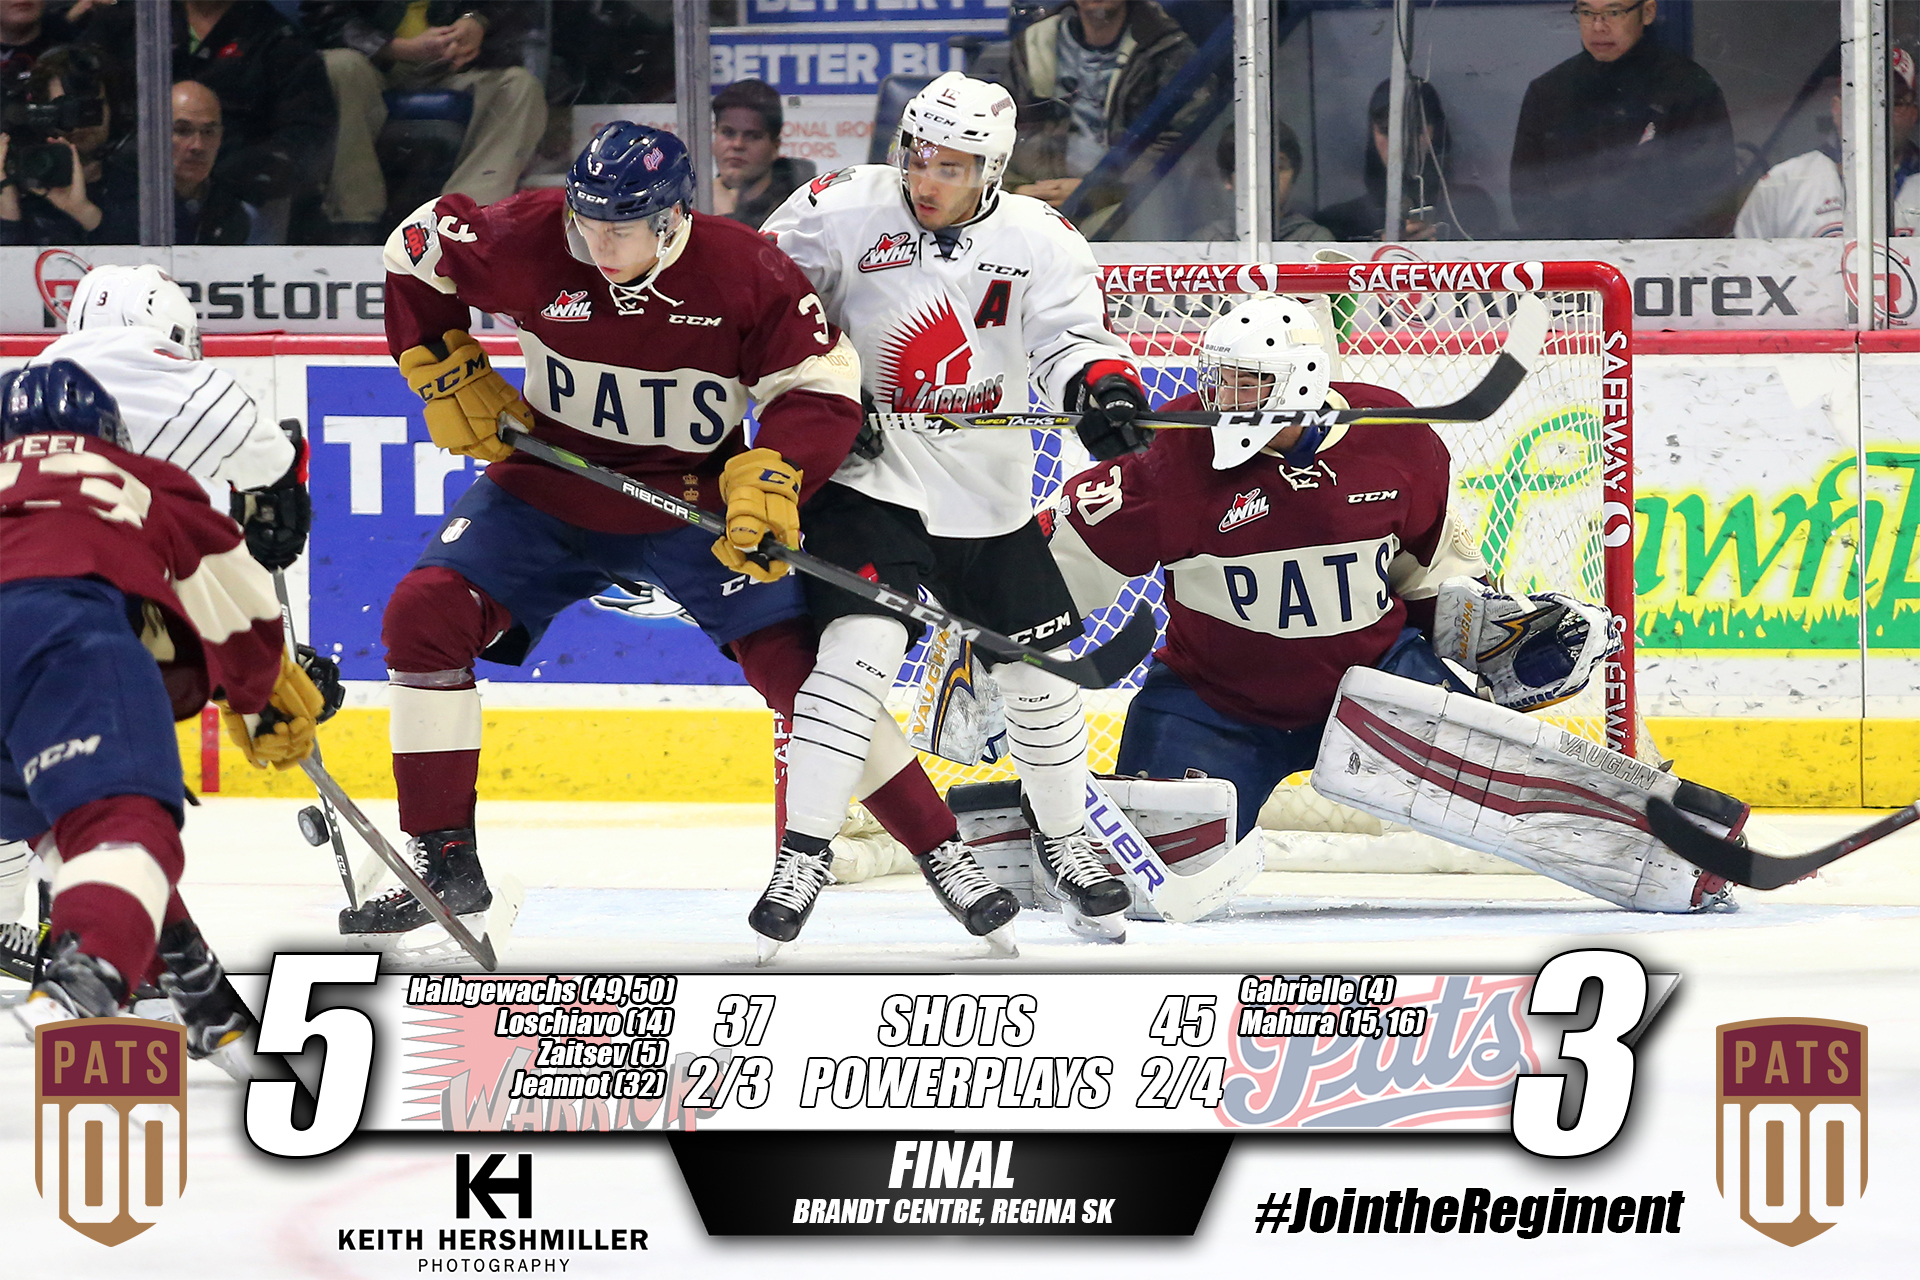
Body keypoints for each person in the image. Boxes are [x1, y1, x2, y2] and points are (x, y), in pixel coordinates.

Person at [356, 122, 876, 944]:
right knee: (424, 613)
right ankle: (443, 860)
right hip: (547, 483)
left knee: (797, 668)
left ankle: (941, 848)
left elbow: (819, 381)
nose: (598, 244)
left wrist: (778, 471)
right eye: (587, 221)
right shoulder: (530, 235)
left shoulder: (739, 267)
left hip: (692, 495)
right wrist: (444, 365)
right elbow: (413, 247)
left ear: (672, 217)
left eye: (622, 226)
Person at [1042, 298, 1732, 914]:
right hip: (1215, 705)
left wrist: (1479, 626)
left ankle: (1680, 852)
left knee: (1513, 784)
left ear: (1301, 383)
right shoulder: (1169, 456)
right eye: (1218, 380)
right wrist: (1005, 649)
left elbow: (1425, 566)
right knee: (1148, 883)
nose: (1225, 401)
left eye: (1248, 384)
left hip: (1379, 683)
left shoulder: (1394, 439)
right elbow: (1063, 568)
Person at [761, 71, 1154, 945]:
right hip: (870, 478)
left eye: (951, 166)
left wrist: (1102, 392)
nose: (925, 178)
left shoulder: (1040, 238)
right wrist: (820, 389)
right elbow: (762, 307)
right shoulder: (838, 207)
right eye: (918, 156)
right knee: (858, 652)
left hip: (987, 491)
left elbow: (1069, 341)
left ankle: (1066, 838)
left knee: (1040, 670)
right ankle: (803, 853)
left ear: (993, 169)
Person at [1, 360, 326, 1040]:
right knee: (119, 821)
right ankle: (88, 969)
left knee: (54, 814)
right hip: (55, 625)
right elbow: (235, 595)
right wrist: (257, 696)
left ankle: (194, 985)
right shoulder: (137, 476)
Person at [33, 263, 309, 568]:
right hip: (120, 574)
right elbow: (274, 463)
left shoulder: (27, 380)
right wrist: (272, 507)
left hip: (21, 562)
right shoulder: (190, 387)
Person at [302, 0, 547, 241]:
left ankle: (462, 219)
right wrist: (395, 48)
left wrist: (477, 22)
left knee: (518, 87)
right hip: (369, 62)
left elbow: (513, 9)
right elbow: (325, 16)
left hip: (452, 65)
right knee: (338, 68)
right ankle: (354, 221)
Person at [1510, 0, 1736, 239]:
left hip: (1666, 255)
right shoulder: (1549, 92)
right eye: (1587, 12)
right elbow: (1528, 199)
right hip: (1572, 256)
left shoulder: (1689, 89)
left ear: (1647, 12)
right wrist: (1573, 253)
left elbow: (1713, 199)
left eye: (1613, 12)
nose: (1598, 26)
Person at [1002, 0, 1213, 230]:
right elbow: (1004, 127)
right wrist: (1015, 189)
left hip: (1128, 206)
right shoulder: (1035, 43)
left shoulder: (1166, 48)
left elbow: (1181, 143)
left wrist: (1096, 191)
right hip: (1038, 200)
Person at [1736, 46, 1920, 239]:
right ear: (1836, 108)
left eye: (1894, 101)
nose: (1876, 112)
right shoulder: (1782, 184)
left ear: (1913, 113)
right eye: (1860, 97)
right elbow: (1739, 257)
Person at [1315, 78, 1497, 242]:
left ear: (1436, 133)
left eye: (1414, 129)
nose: (1399, 144)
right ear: (1372, 135)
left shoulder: (1471, 208)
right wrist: (1380, 252)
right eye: (1387, 130)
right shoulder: (1339, 222)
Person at [0, 45, 137, 244]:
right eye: (63, 107)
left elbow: (155, 261)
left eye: (90, 109)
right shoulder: (11, 186)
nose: (78, 123)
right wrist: (8, 219)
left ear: (114, 110)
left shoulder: (143, 191)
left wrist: (85, 212)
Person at [1198, 119, 1331, 242]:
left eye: (1278, 167)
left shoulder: (1314, 240)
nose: (1266, 178)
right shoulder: (1206, 242)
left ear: (1294, 175)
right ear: (1227, 179)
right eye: (1249, 167)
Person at [711, 78, 814, 231]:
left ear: (775, 147)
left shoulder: (799, 209)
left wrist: (726, 218)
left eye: (752, 136)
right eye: (728, 133)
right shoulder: (692, 199)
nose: (737, 145)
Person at [172, 78, 265, 244]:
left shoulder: (239, 216)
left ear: (220, 138)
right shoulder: (124, 209)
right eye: (182, 130)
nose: (198, 146)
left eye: (209, 132)